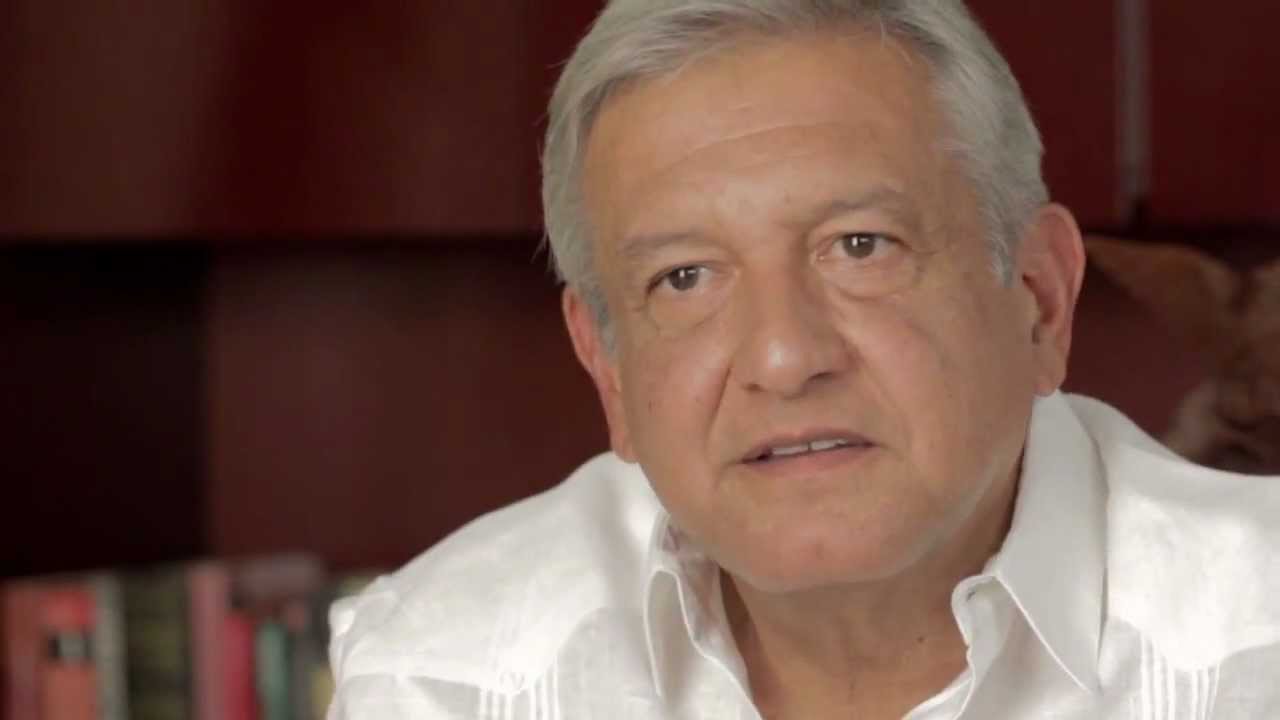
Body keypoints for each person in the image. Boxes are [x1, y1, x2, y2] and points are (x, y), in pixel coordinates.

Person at [327, 1, 1280, 718]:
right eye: (684, 278)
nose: (784, 359)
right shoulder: (447, 674)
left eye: (860, 246)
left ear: (1038, 298)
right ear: (608, 368)